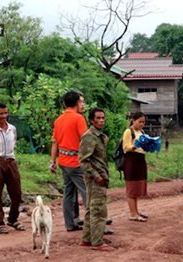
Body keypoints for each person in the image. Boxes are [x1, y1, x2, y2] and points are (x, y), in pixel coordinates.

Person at [50, 90, 89, 232]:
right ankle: (93, 223)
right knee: (86, 191)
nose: (83, 104)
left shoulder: (58, 120)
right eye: (81, 101)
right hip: (76, 162)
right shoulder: (78, 118)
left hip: (63, 161)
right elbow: (86, 141)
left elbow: (54, 142)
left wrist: (52, 161)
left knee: (68, 192)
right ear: (77, 103)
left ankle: (69, 224)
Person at [78, 108, 115, 251]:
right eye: (98, 118)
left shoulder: (100, 136)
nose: (101, 121)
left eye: (103, 118)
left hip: (99, 176)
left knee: (91, 209)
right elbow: (83, 161)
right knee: (98, 210)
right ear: (92, 120)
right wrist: (97, 176)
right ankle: (97, 242)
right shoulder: (89, 136)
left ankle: (87, 239)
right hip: (95, 178)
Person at [0, 102, 25, 234]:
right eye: (1, 113)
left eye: (6, 113)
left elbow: (14, 144)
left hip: (11, 161)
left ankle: (13, 219)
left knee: (17, 193)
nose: (4, 116)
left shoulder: (12, 128)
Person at [123, 112, 149, 222]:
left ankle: (136, 211)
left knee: (137, 187)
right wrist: (135, 146)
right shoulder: (129, 131)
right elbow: (126, 147)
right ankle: (133, 213)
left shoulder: (141, 132)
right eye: (140, 122)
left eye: (143, 122)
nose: (142, 124)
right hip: (131, 161)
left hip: (140, 160)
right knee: (132, 188)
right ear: (133, 120)